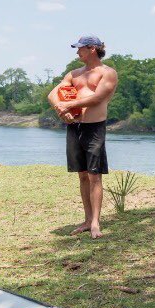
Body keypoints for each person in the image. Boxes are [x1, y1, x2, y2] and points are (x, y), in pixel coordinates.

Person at [48, 36, 119, 239]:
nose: (77, 52)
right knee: (82, 175)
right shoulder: (73, 74)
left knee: (94, 175)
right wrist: (60, 109)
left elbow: (98, 97)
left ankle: (96, 223)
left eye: (80, 48)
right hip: (74, 127)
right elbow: (54, 93)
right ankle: (87, 220)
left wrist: (69, 105)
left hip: (94, 127)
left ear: (93, 49)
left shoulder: (108, 73)